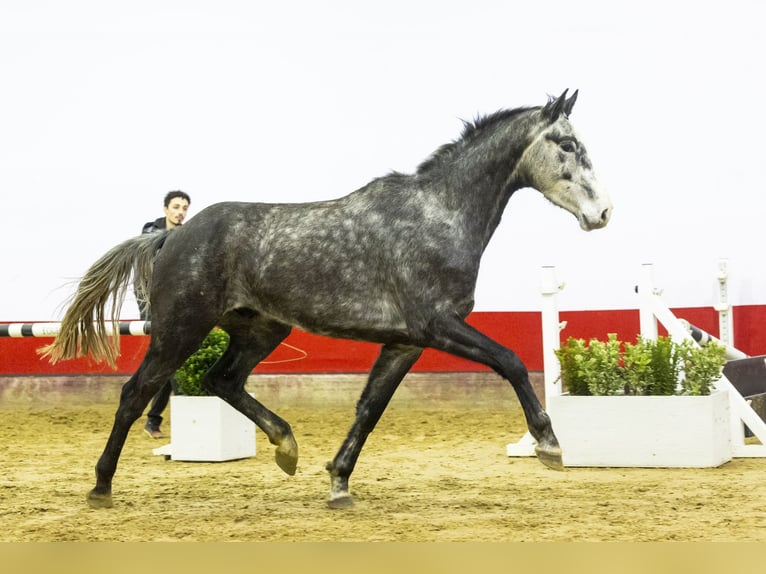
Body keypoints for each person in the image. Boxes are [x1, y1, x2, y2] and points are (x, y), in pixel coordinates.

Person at [138, 190, 191, 438]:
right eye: (176, 207)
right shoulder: (151, 230)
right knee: (168, 361)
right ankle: (154, 418)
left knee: (171, 361)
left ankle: (154, 419)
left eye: (184, 208)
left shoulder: (189, 232)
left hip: (179, 303)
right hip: (151, 301)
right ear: (165, 209)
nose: (180, 212)